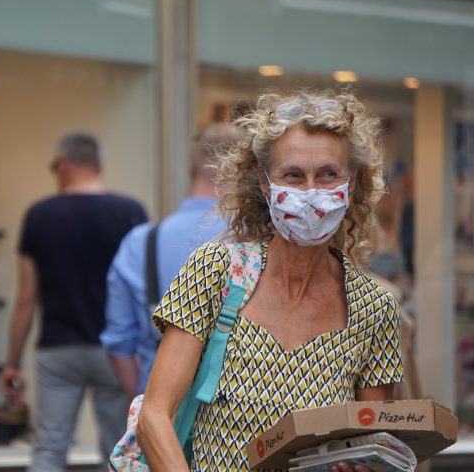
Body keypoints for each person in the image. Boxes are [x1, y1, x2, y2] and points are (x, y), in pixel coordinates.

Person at [137, 90, 403, 472]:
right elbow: (155, 415)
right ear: (265, 182)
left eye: (328, 174)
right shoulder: (216, 271)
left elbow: (372, 445)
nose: (311, 193)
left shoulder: (374, 309)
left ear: (353, 181)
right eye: (292, 175)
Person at [1, 131, 147, 471]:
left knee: (50, 449)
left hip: (57, 348)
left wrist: (12, 362)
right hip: (116, 351)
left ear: (64, 165)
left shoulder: (39, 215)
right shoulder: (129, 211)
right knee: (118, 450)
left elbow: (26, 298)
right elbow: (141, 291)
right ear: (97, 165)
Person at [100, 123, 238, 398]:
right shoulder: (259, 239)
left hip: (162, 408)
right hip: (240, 409)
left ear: (191, 170)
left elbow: (119, 344)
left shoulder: (141, 241)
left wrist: (145, 404)